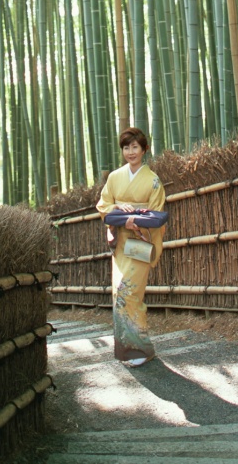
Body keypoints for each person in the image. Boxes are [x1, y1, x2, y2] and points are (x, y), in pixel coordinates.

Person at [96, 126, 166, 366]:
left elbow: (157, 215)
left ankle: (140, 349)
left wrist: (136, 219)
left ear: (144, 149)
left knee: (130, 293)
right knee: (119, 295)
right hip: (121, 245)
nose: (130, 151)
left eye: (135, 146)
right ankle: (131, 350)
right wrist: (117, 209)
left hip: (141, 243)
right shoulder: (115, 178)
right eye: (126, 147)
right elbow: (104, 207)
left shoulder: (153, 181)